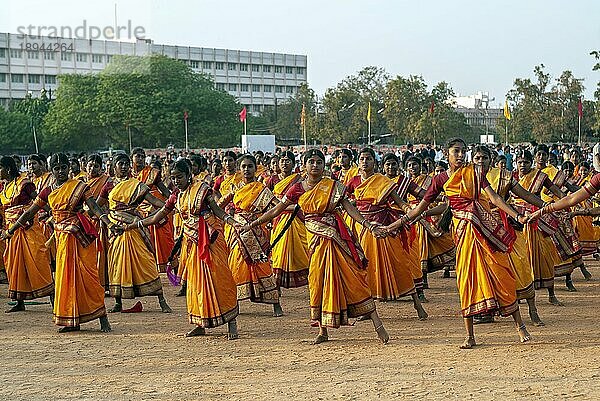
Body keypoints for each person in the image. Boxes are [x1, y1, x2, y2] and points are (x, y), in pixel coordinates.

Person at [383, 139, 531, 349]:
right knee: (466, 280)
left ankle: (520, 325)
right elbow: (419, 209)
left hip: (485, 231)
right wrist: (393, 226)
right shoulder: (440, 179)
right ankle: (470, 335)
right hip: (463, 234)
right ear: (447, 154)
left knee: (501, 273)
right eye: (456, 152)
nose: (461, 155)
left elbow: (495, 198)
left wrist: (517, 215)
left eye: (463, 152)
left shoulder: (476, 173)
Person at [243, 149, 389, 345]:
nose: (315, 165)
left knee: (353, 278)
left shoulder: (333, 186)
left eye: (319, 162)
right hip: (314, 242)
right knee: (317, 282)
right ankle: (323, 331)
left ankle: (377, 323)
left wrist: (368, 225)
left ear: (324, 165)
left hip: (336, 240)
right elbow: (276, 210)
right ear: (304, 165)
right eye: (311, 162)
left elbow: (349, 208)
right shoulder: (296, 189)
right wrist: (254, 223)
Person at [122, 160, 240, 339]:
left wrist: (233, 222)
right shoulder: (176, 196)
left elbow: (218, 211)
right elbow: (159, 215)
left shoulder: (203, 190)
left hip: (211, 242)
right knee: (194, 285)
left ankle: (232, 323)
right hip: (191, 244)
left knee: (219, 280)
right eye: (173, 178)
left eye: (179, 177)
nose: (176, 181)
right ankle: (200, 323)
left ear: (189, 176)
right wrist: (134, 225)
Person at [3, 153, 111, 332]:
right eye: (56, 168)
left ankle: (102, 318)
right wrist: (11, 230)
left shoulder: (80, 186)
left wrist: (108, 222)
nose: (60, 171)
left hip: (78, 238)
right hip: (61, 240)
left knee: (88, 276)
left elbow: (94, 207)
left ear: (69, 167)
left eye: (63, 167)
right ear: (51, 170)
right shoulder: (47, 191)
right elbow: (30, 212)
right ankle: (71, 320)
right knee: (65, 279)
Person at [346, 149, 428, 319]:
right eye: (362, 159)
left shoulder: (383, 181)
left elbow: (400, 202)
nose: (365, 162)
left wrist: (410, 212)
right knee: (365, 268)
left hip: (385, 229)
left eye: (368, 159)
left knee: (400, 266)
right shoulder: (353, 181)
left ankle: (417, 305)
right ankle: (367, 309)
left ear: (374, 162)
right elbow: (344, 200)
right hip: (363, 229)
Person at [96, 153, 172, 313]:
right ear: (113, 166)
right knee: (117, 264)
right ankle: (118, 302)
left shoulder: (136, 184)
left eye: (126, 164)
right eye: (120, 164)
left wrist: (170, 205)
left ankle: (162, 301)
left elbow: (154, 201)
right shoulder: (108, 185)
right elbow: (97, 206)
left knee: (147, 262)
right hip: (116, 230)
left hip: (135, 228)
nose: (124, 167)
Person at [479, 149, 545, 326]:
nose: (481, 161)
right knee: (488, 270)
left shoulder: (504, 175)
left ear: (491, 159)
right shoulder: (468, 177)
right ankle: (488, 311)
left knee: (521, 266)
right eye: (477, 158)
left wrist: (548, 206)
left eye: (485, 158)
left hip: (507, 226)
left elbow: (527, 195)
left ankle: (532, 309)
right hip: (481, 229)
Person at [219, 154, 283, 316]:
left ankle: (275, 303)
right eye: (243, 167)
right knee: (235, 265)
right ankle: (234, 303)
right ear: (239, 170)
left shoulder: (261, 189)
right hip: (237, 231)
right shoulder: (235, 188)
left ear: (256, 168)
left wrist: (294, 206)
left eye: (250, 166)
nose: (246, 170)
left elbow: (277, 206)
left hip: (257, 231)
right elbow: (219, 206)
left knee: (261, 264)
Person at [0, 156, 53, 313]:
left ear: (8, 169)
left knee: (38, 262)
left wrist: (53, 215)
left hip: (29, 230)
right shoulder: (5, 187)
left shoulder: (25, 184)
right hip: (12, 232)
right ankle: (19, 301)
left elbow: (40, 202)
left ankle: (54, 299)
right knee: (14, 264)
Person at [267, 151, 310, 289]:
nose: (285, 163)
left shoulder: (299, 180)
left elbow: (304, 199)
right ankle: (276, 284)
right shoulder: (272, 180)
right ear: (278, 163)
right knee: (278, 250)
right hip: (278, 218)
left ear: (293, 163)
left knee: (301, 249)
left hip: (295, 217)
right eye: (282, 160)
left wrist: (291, 207)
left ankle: (308, 279)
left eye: (288, 161)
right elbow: (266, 199)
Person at [131, 147, 174, 273]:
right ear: (132, 158)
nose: (140, 158)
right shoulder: (128, 175)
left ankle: (171, 268)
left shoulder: (152, 173)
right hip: (137, 212)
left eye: (142, 156)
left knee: (164, 242)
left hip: (155, 210)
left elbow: (164, 190)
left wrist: (173, 199)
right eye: (137, 156)